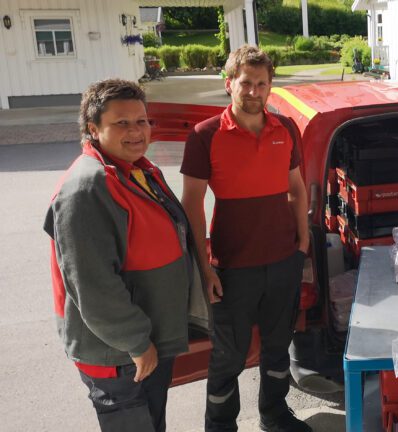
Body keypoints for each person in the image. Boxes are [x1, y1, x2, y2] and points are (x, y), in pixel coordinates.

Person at [43, 79, 208, 431]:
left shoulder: (138, 170)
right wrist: (136, 342)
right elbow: (93, 285)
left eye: (142, 121)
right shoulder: (87, 188)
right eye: (121, 123)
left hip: (146, 341)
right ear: (93, 129)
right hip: (121, 353)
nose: (136, 131)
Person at [180, 45, 311, 432]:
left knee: (277, 347)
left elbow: (297, 189)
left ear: (270, 86)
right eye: (246, 83)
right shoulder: (205, 135)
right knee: (229, 356)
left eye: (262, 84)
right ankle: (220, 426)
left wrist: (302, 244)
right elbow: (191, 204)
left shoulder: (285, 129)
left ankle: (274, 414)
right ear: (229, 84)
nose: (254, 91)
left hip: (283, 260)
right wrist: (204, 268)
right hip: (232, 268)